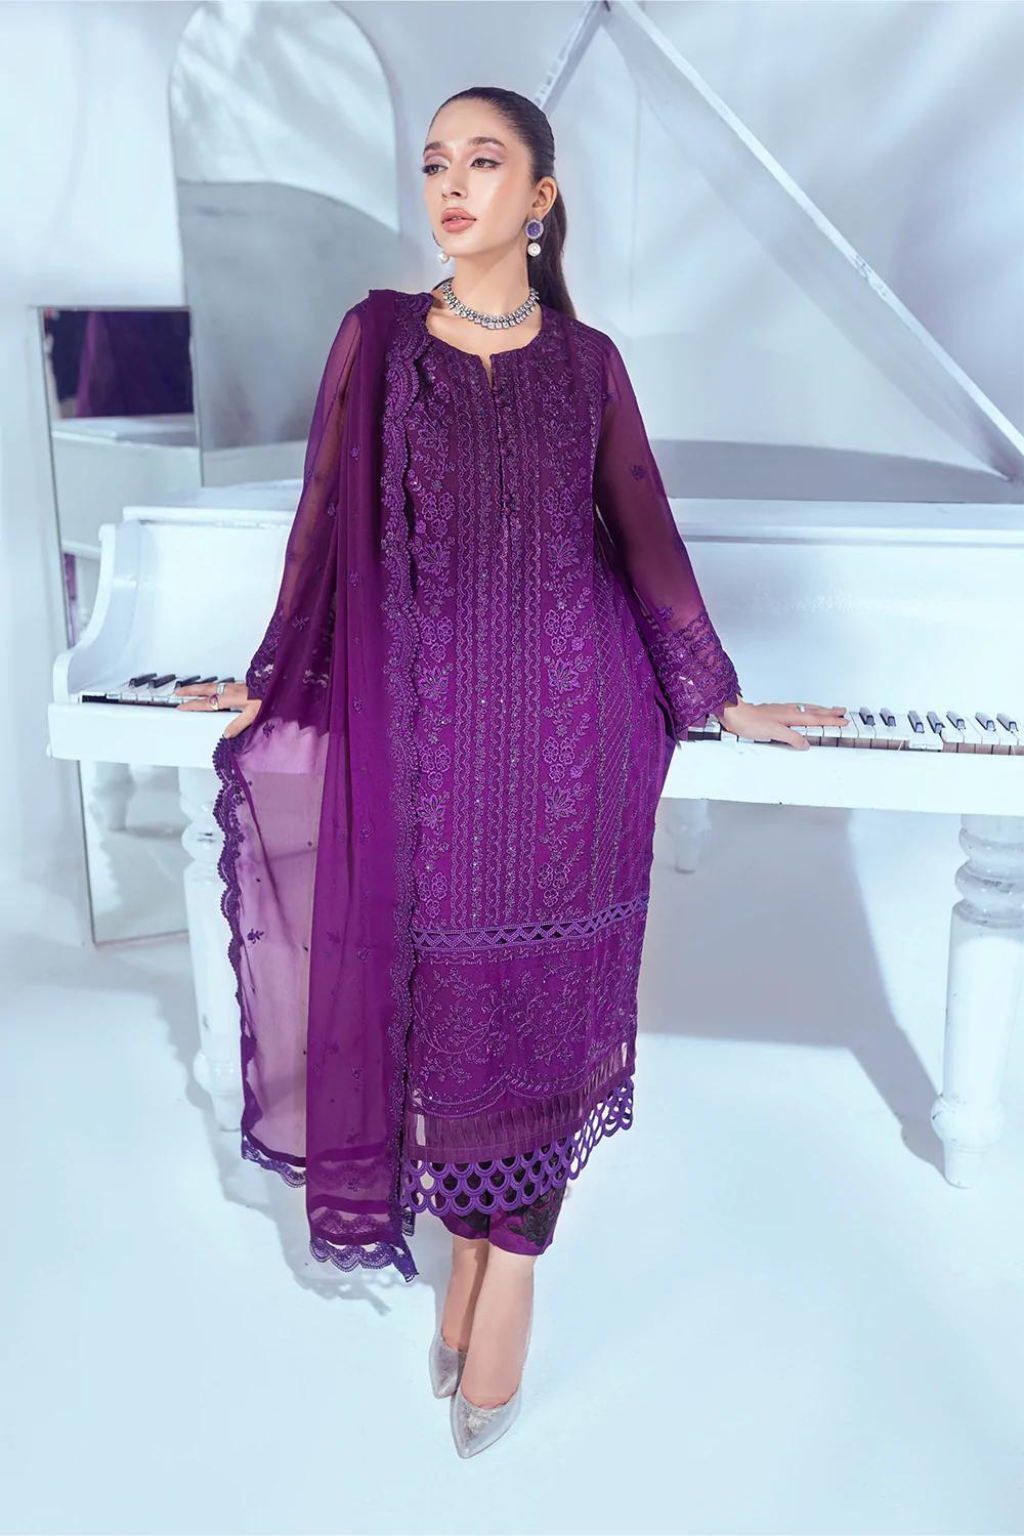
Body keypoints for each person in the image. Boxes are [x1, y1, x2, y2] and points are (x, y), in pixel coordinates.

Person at [177, 86, 847, 1458]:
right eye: (436, 162)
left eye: (484, 162)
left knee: (552, 1006)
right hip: (425, 744)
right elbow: (321, 519)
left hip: (579, 734)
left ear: (540, 198)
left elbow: (643, 530)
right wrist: (275, 669)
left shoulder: (587, 363)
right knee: (450, 1006)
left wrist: (719, 694)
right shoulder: (378, 340)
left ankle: (512, 1270)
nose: (452, 185)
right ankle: (474, 1251)